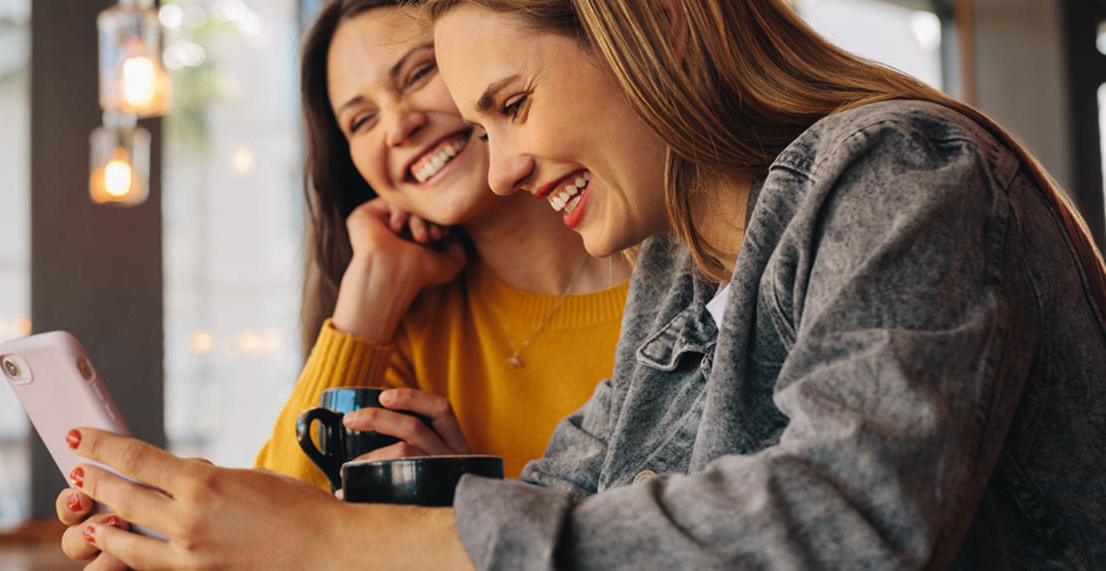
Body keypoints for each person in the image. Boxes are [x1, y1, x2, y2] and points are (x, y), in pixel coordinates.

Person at [54, 0, 1106, 569]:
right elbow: (564, 496)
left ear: (653, 25)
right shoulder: (677, 277)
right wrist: (209, 539)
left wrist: (332, 540)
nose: (498, 161)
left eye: (507, 103)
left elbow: (843, 524)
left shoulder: (901, 169)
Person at [250, 0, 630, 489]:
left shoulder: (695, 275)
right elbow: (279, 537)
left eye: (419, 73)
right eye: (362, 120)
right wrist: (367, 295)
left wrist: (475, 511)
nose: (397, 126)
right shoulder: (401, 330)